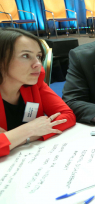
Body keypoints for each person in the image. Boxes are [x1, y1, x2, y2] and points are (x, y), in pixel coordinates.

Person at [0, 28, 76, 157]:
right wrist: (29, 129)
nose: (38, 64)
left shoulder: (35, 82)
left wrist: (16, 137)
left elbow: (67, 116)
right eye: (25, 56)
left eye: (39, 56)